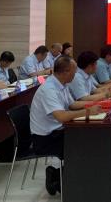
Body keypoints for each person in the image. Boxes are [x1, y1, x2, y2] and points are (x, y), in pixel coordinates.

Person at [30, 56, 101, 195]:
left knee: (89, 140)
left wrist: (95, 104)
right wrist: (87, 112)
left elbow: (72, 105)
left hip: (58, 130)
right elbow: (61, 116)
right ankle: (60, 180)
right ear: (65, 72)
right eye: (74, 72)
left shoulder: (61, 84)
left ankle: (63, 177)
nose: (76, 74)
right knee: (83, 147)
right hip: (45, 138)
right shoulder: (49, 89)